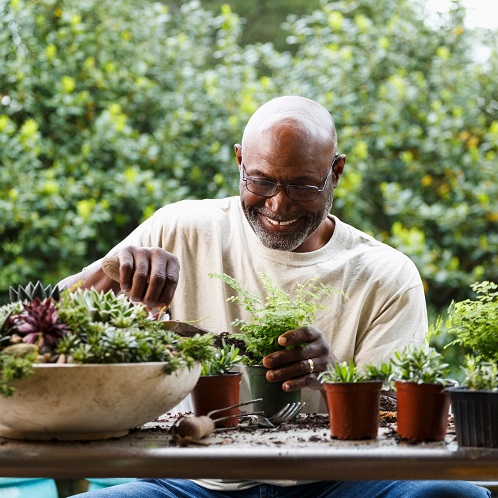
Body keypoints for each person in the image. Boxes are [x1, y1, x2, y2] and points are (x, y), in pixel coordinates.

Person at [64, 96, 490, 498]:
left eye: (303, 185)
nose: (279, 203)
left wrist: (333, 377)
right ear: (239, 161)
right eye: (262, 180)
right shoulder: (181, 228)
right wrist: (113, 270)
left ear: (335, 172)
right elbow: (39, 322)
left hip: (340, 486)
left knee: (454, 494)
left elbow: (397, 423)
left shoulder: (384, 274)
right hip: (193, 484)